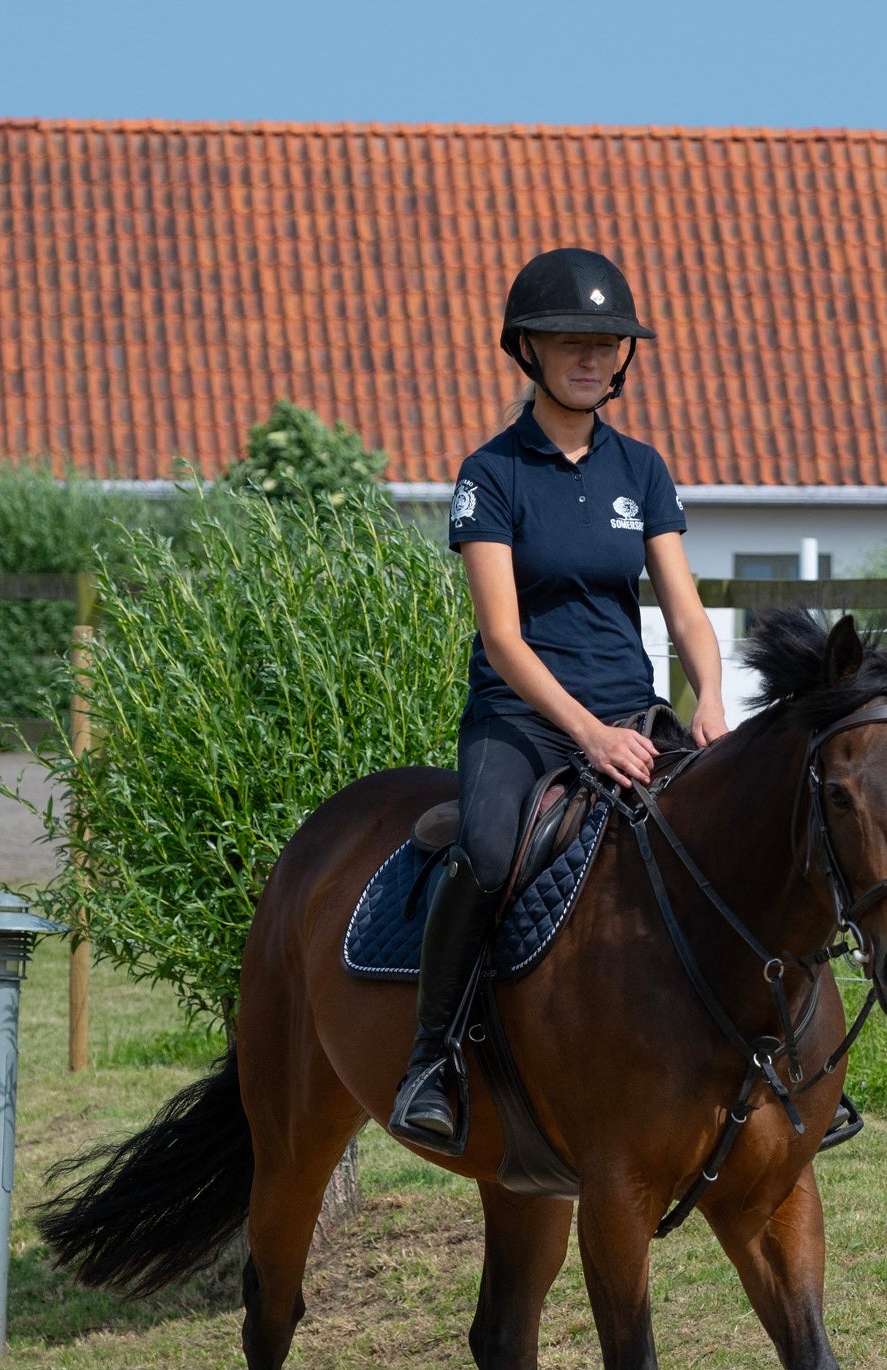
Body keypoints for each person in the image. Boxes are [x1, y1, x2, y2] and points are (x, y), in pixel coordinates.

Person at [389, 246, 728, 1151]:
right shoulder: (490, 475)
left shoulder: (643, 469)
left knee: (739, 833)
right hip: (522, 722)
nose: (591, 357)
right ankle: (433, 1060)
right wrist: (588, 734)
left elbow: (685, 607)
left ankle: (768, 1055)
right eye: (570, 341)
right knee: (491, 853)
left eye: (607, 343)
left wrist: (709, 697)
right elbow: (503, 635)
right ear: (528, 351)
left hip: (636, 712)